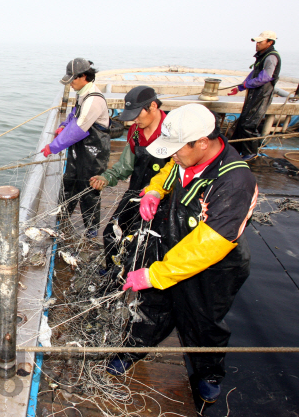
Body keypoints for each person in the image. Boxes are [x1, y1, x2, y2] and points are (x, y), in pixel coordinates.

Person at [107, 104, 258, 405]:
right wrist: (153, 190)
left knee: (203, 321)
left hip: (214, 267)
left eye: (177, 149)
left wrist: (154, 274)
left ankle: (208, 373)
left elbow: (208, 246)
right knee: (151, 308)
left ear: (201, 141)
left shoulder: (235, 182)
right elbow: (168, 171)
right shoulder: (186, 157)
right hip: (171, 246)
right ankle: (131, 352)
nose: (172, 155)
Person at [89, 86, 168, 275]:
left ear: (153, 106)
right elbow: (125, 166)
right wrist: (106, 177)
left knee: (149, 244)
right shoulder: (134, 131)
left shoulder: (171, 132)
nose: (134, 119)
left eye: (137, 114)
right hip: (135, 193)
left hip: (163, 200)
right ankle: (112, 272)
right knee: (111, 233)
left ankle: (138, 276)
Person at [43, 58, 110, 236]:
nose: (71, 84)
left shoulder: (93, 99)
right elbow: (74, 115)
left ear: (84, 77)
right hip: (80, 148)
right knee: (70, 180)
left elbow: (78, 130)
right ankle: (62, 216)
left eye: (73, 79)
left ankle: (92, 228)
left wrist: (53, 147)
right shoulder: (83, 93)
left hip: (94, 150)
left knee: (89, 188)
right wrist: (64, 125)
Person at [228, 30, 281, 161]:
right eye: (256, 42)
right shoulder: (262, 55)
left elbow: (266, 77)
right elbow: (254, 74)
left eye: (260, 42)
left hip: (262, 94)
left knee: (249, 124)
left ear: (270, 42)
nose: (257, 44)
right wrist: (240, 87)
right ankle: (237, 151)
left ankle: (251, 153)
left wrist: (246, 85)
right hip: (254, 93)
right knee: (242, 122)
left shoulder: (271, 57)